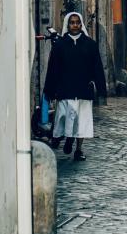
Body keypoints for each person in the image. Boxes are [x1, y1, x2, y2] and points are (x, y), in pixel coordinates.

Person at [44, 11, 107, 161]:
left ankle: (78, 149)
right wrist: (50, 90)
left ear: (81, 24)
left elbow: (97, 67)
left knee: (82, 120)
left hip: (84, 88)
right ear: (68, 24)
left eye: (77, 22)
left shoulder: (90, 45)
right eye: (72, 22)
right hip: (65, 89)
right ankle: (68, 139)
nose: (75, 25)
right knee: (64, 117)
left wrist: (100, 88)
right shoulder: (59, 46)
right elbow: (53, 69)